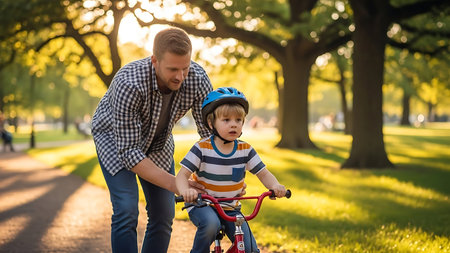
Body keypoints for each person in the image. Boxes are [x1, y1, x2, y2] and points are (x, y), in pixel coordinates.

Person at [91, 27, 213, 253]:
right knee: (127, 209)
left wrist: (225, 175)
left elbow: (210, 137)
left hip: (159, 142)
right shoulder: (129, 82)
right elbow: (129, 152)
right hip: (115, 140)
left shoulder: (197, 79)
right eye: (173, 69)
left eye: (185, 68)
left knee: (164, 213)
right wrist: (175, 183)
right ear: (155, 61)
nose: (180, 76)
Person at [176, 87, 287, 253]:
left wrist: (276, 186)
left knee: (249, 249)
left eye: (238, 120)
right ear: (211, 123)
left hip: (231, 206)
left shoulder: (245, 149)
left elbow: (263, 173)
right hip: (202, 204)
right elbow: (182, 175)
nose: (233, 124)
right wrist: (186, 190)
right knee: (211, 225)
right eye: (226, 120)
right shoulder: (202, 148)